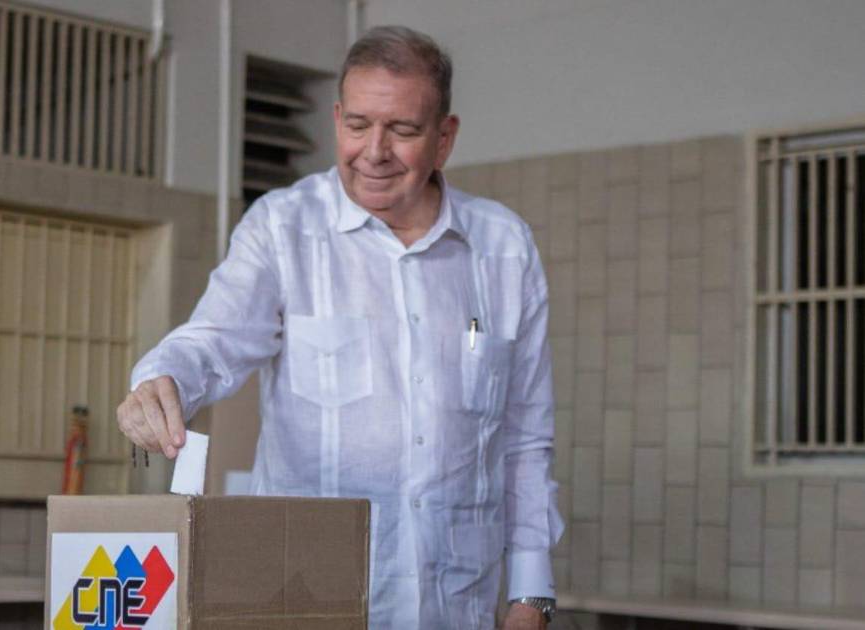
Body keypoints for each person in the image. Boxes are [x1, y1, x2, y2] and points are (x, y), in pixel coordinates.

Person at [117, 25, 564, 629]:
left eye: (402, 129)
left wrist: (532, 595)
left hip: (455, 607)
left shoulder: (504, 248)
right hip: (309, 602)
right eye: (358, 125)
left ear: (444, 138)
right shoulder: (283, 227)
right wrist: (162, 378)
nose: (374, 151)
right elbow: (215, 338)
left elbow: (525, 435)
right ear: (336, 119)